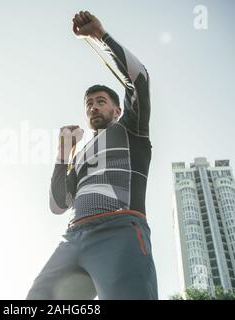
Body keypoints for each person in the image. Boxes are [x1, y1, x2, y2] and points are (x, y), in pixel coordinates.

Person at [26, 11, 157, 300]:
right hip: (73, 238)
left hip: (119, 229)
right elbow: (59, 205)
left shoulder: (130, 130)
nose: (94, 107)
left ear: (117, 110)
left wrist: (100, 37)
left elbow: (140, 79)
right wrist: (62, 155)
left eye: (101, 102)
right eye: (89, 104)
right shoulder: (81, 154)